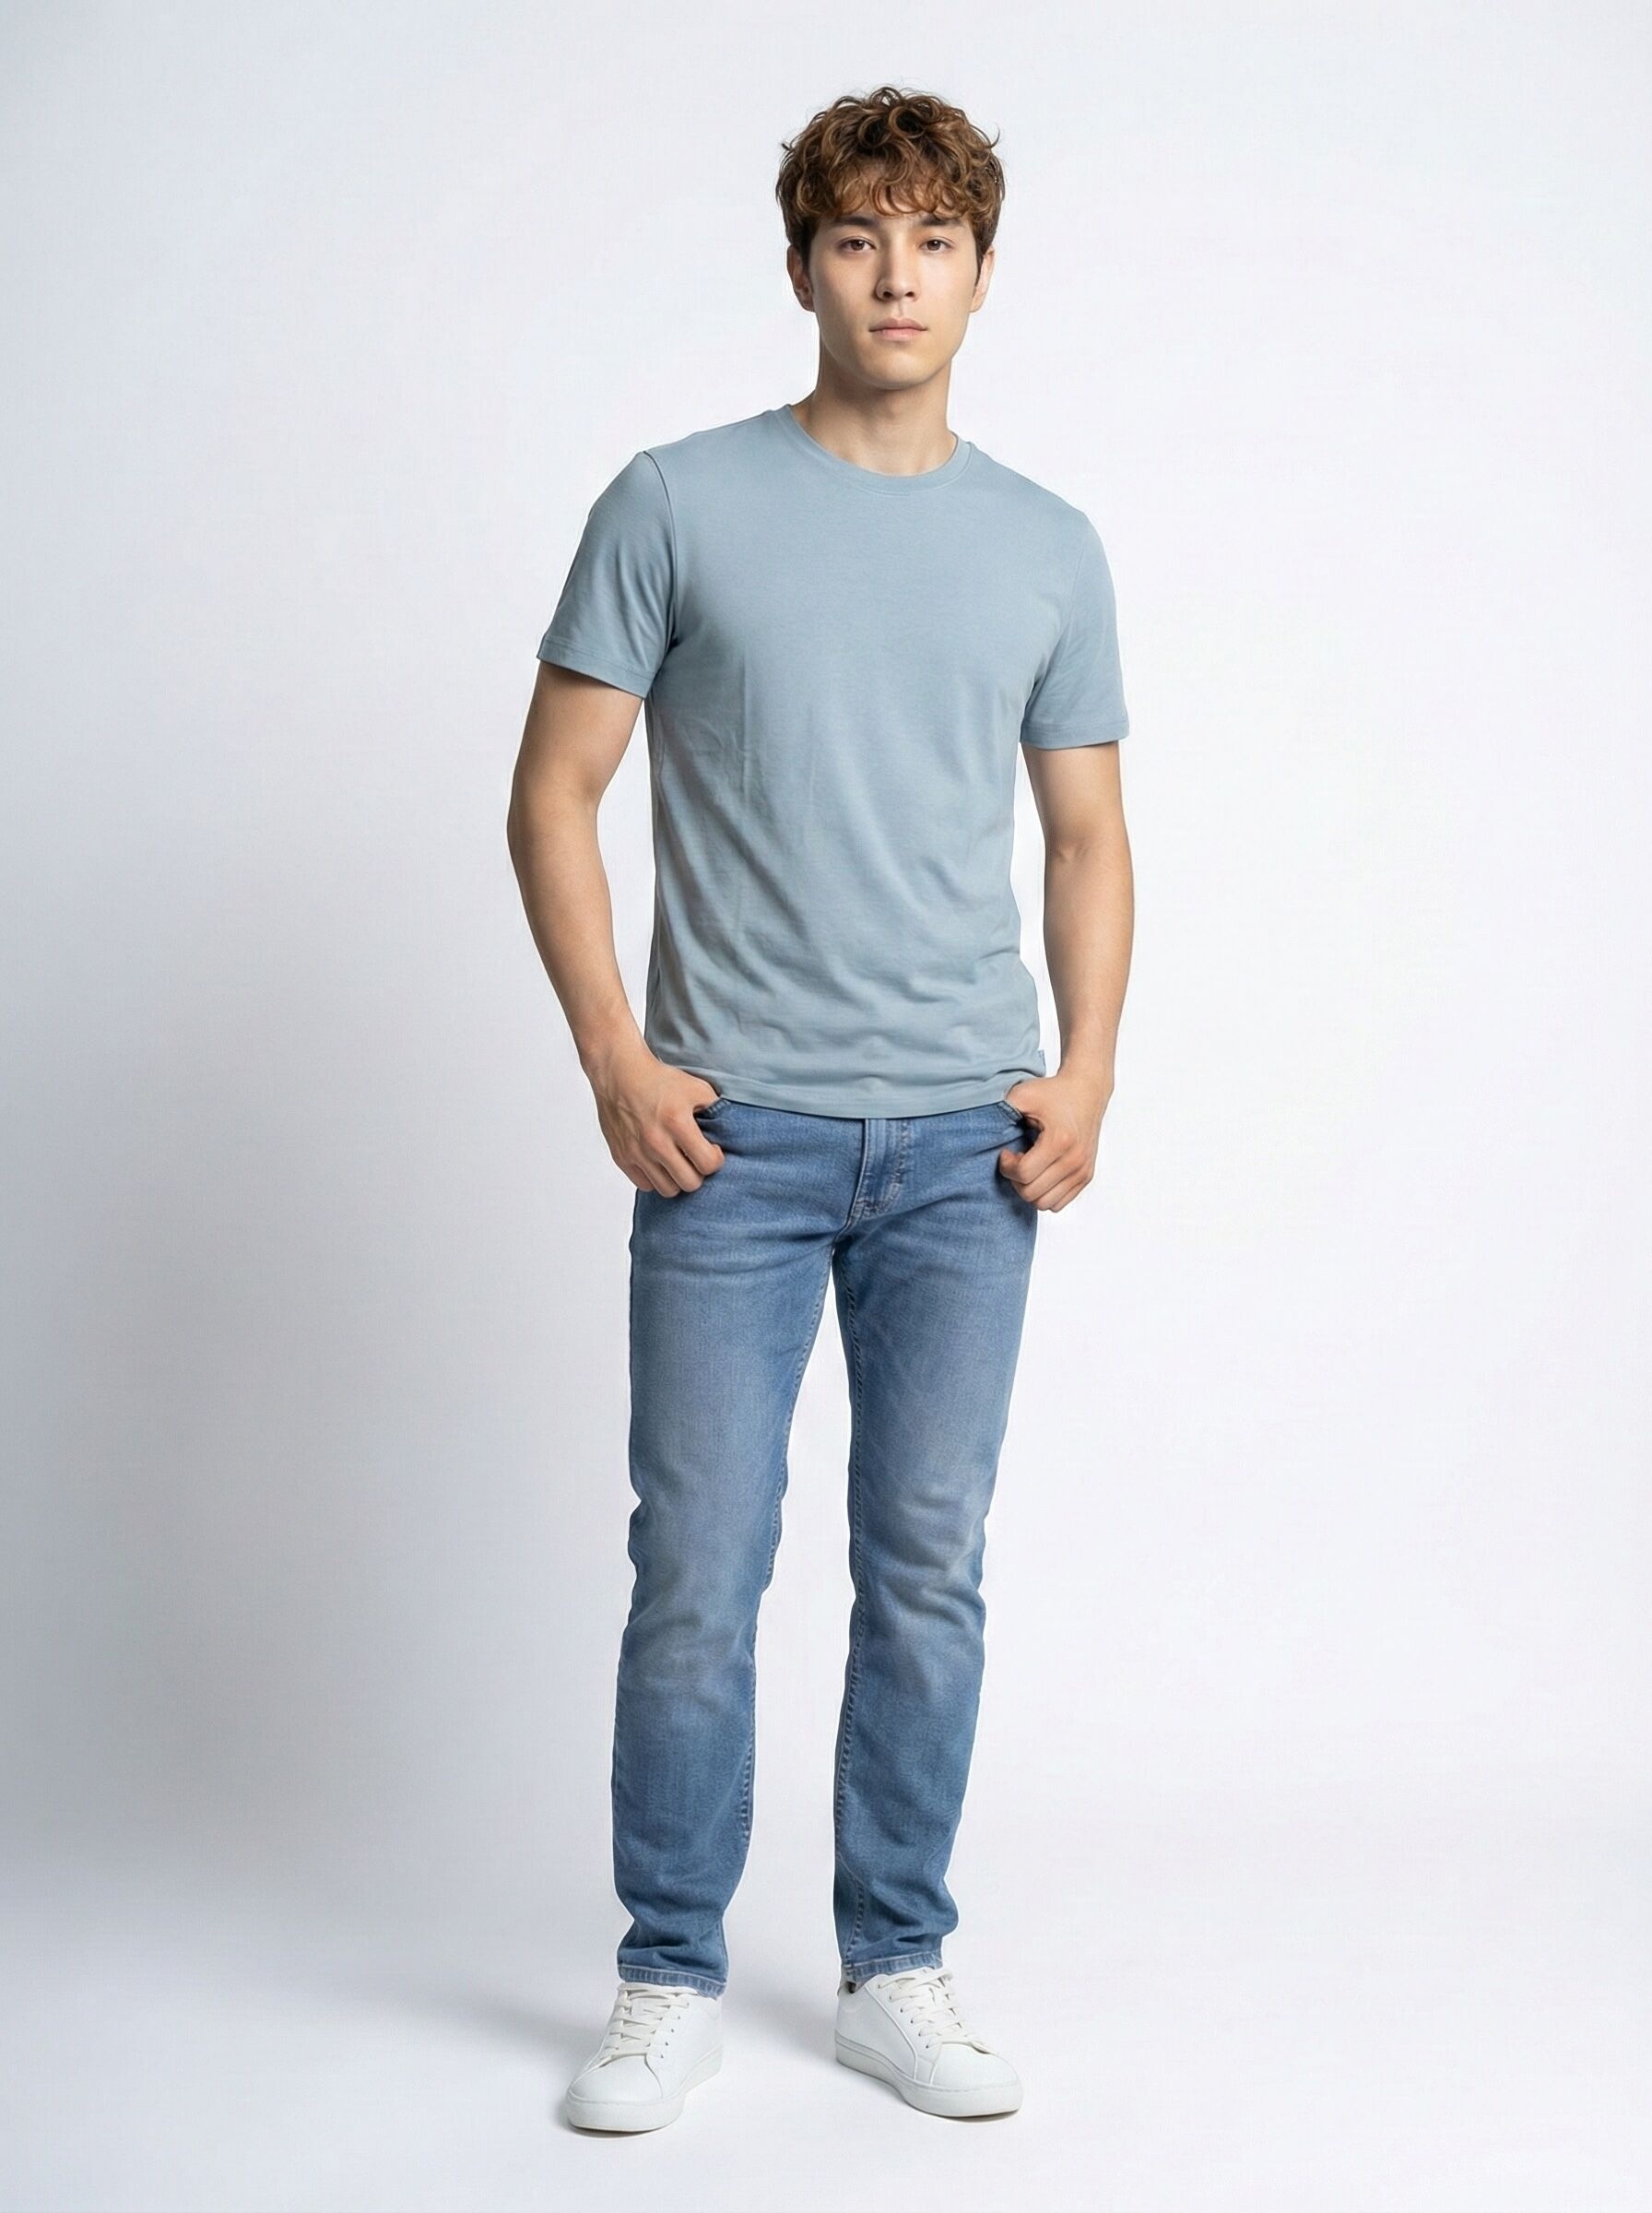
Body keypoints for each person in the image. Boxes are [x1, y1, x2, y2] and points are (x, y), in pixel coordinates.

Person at [507, 84, 1134, 2131]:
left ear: (980, 273)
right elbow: (553, 795)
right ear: (801, 267)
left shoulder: (1046, 546)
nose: (894, 277)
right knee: (698, 1568)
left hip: (966, 1148)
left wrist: (1086, 1069)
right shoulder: (674, 504)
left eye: (932, 241)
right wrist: (615, 1054)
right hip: (734, 1141)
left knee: (927, 1564)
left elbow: (1086, 839)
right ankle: (664, 1974)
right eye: (858, 239)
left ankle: (895, 1965)